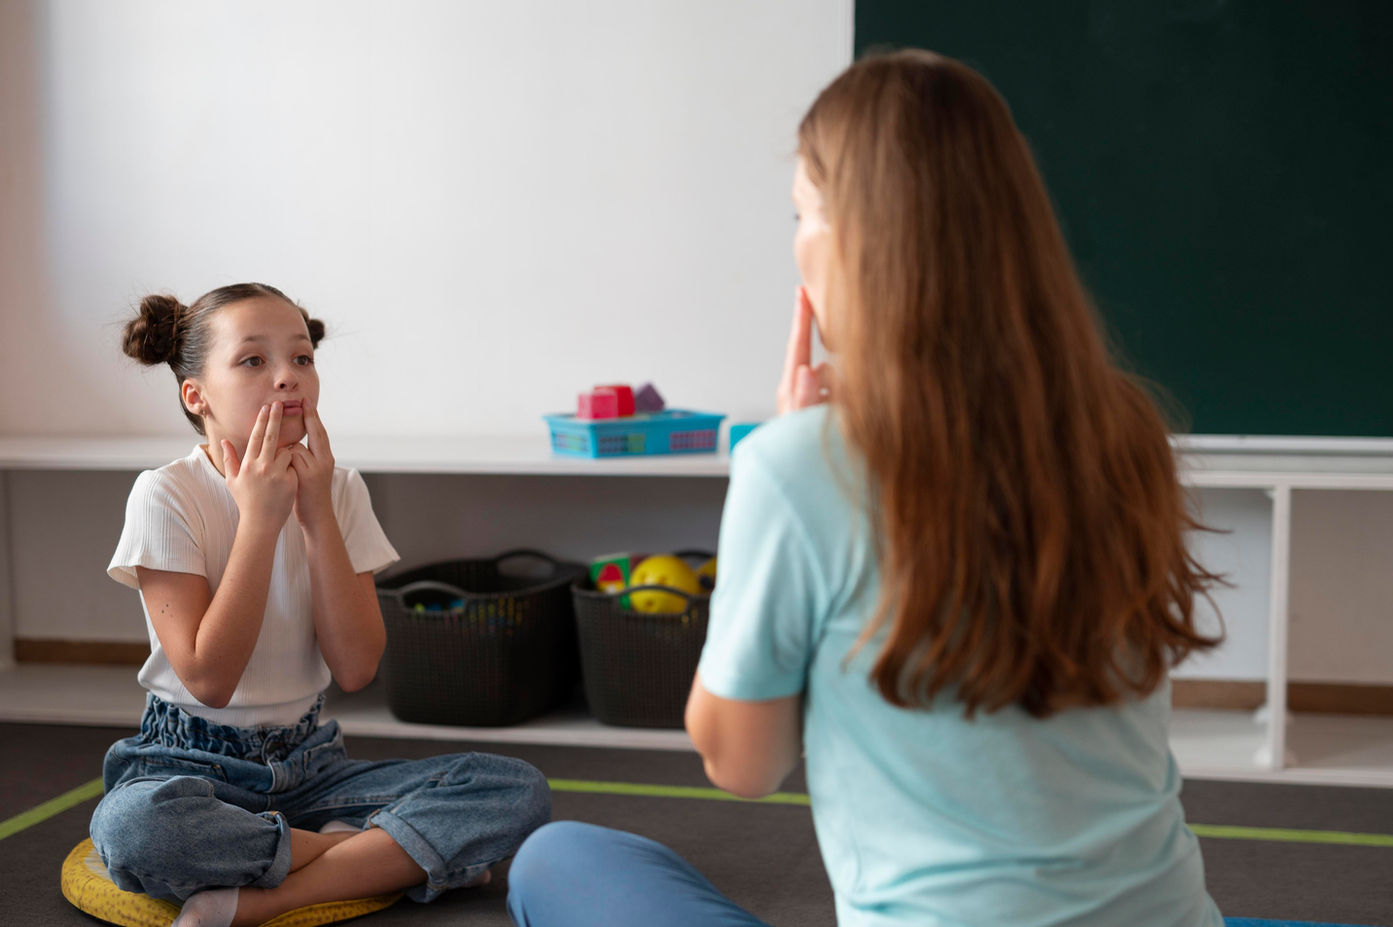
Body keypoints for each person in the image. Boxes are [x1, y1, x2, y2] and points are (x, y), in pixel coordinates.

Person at [506, 49, 1227, 927]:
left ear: (854, 241)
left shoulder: (800, 465)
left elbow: (743, 764)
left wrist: (772, 476)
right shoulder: (1124, 433)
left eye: (803, 211)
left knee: (557, 857)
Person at [91, 282, 551, 927]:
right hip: (188, 764)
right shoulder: (165, 493)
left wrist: (315, 517)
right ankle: (356, 852)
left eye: (301, 359)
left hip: (312, 765)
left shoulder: (339, 489)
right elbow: (210, 678)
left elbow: (358, 668)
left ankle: (275, 893)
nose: (288, 379)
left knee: (513, 787)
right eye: (254, 361)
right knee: (141, 831)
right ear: (196, 394)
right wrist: (259, 521)